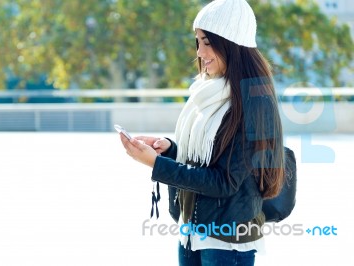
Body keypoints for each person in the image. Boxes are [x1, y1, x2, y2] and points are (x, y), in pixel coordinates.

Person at [119, 0, 285, 265]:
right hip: (191, 230)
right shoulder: (206, 92)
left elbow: (224, 181)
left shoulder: (254, 101)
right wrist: (170, 149)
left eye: (207, 42)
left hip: (227, 242)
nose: (199, 52)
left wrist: (157, 164)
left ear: (230, 43)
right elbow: (208, 157)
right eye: (197, 41)